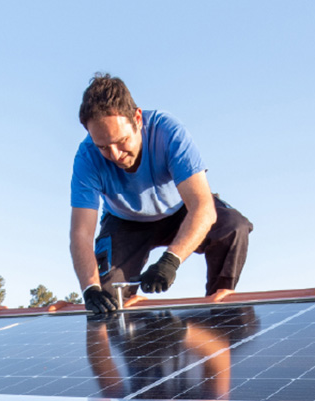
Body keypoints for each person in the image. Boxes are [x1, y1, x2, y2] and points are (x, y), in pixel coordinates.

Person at [70, 73, 253, 314]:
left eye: (121, 141)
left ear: (137, 118)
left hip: (180, 210)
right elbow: (81, 234)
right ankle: (136, 342)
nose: (114, 155)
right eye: (103, 147)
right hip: (125, 222)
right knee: (108, 300)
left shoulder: (168, 132)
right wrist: (90, 289)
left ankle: (218, 312)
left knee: (232, 227)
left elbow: (202, 208)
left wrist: (170, 261)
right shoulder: (86, 157)